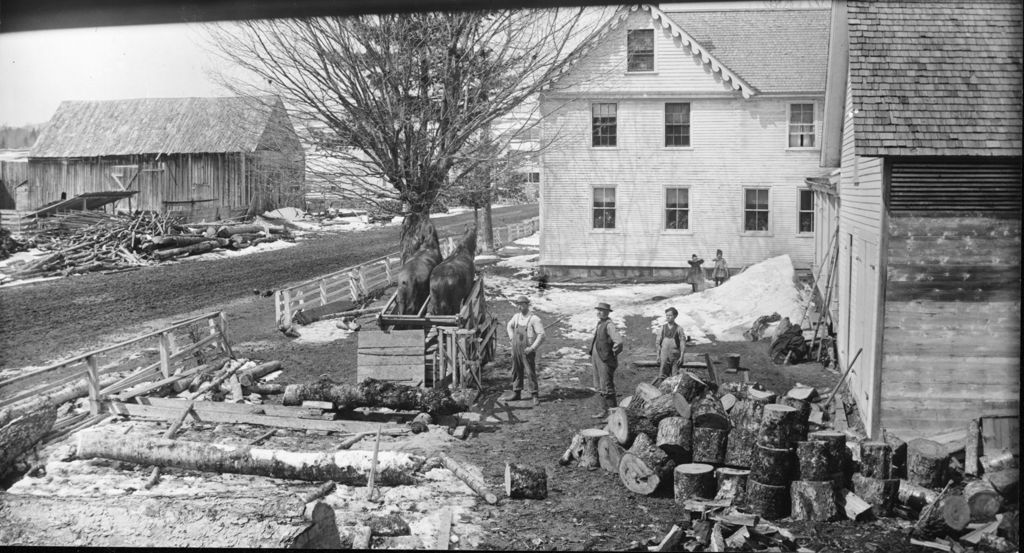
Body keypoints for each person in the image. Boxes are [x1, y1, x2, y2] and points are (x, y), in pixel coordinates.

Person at [506, 295, 545, 406]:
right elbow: (509, 326)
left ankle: (534, 395)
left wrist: (532, 348)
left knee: (529, 372)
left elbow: (542, 335)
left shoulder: (534, 319)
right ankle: (517, 392)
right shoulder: (516, 317)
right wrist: (511, 338)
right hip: (516, 348)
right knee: (516, 370)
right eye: (518, 305)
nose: (519, 307)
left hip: (527, 350)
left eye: (522, 305)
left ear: (527, 305)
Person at [589, 302, 623, 418]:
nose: (599, 312)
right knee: (599, 385)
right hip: (596, 358)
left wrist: (612, 353)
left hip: (605, 360)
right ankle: (604, 411)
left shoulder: (609, 325)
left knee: (607, 386)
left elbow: (618, 341)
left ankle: (613, 415)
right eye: (598, 310)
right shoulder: (600, 323)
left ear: (608, 312)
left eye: (602, 310)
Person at [653, 307, 685, 386]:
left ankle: (674, 396)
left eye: (670, 315)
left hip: (675, 356)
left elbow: (682, 342)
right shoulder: (662, 328)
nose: (668, 317)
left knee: (675, 378)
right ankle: (661, 394)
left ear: (675, 316)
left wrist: (682, 356)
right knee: (662, 376)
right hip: (664, 356)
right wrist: (658, 355)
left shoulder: (679, 329)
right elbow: (658, 343)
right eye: (667, 315)